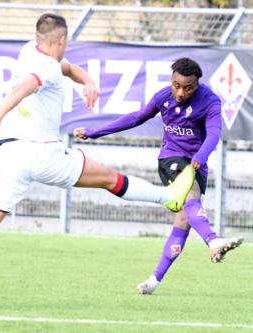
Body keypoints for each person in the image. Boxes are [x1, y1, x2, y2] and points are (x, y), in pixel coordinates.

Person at [0, 13, 195, 268]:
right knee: (109, 178)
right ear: (62, 40)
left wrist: (88, 81)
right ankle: (168, 197)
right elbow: (24, 88)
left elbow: (67, 68)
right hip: (44, 155)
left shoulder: (29, 51)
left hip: (9, 155)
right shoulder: (47, 68)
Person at [74, 57, 243, 295]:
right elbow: (135, 117)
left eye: (188, 88)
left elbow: (214, 133)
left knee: (184, 220)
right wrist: (94, 133)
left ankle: (154, 280)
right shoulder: (164, 96)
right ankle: (213, 240)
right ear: (172, 80)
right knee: (190, 193)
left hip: (197, 163)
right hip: (171, 159)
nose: (180, 92)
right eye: (176, 85)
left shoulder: (210, 102)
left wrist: (202, 155)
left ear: (197, 85)